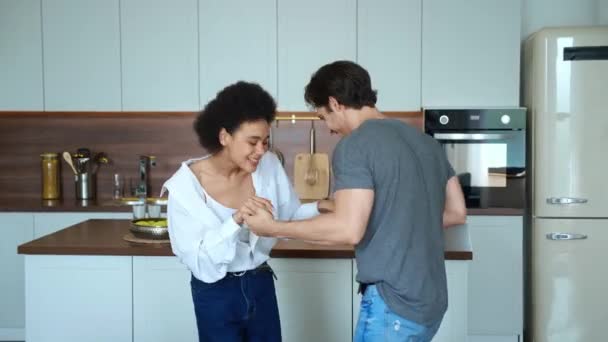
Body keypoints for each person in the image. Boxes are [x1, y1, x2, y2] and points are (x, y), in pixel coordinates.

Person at [244, 61, 467, 341]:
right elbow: (457, 212)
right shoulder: (426, 143)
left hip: (394, 303)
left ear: (335, 104)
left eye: (323, 116)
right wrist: (393, 219)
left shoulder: (355, 146)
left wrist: (272, 227)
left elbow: (347, 229)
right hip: (431, 300)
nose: (328, 128)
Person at [161, 81, 333, 342]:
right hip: (215, 293)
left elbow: (286, 218)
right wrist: (235, 220)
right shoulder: (184, 189)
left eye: (265, 141)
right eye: (253, 142)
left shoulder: (269, 166)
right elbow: (199, 262)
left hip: (260, 284)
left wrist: (321, 205)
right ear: (224, 137)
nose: (261, 151)